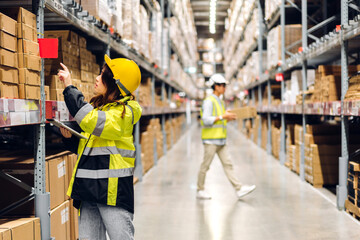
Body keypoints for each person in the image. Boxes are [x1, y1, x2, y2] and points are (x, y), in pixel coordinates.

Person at [58, 55, 142, 240]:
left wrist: (70, 88)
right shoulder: (101, 108)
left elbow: (90, 121)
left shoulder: (124, 113)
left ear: (115, 84)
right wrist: (70, 139)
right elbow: (91, 147)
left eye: (102, 75)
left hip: (112, 191)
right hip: (90, 188)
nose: (97, 77)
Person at [197, 74, 256, 200]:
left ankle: (239, 189)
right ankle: (200, 190)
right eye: (221, 85)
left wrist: (228, 118)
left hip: (221, 140)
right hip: (211, 140)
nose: (224, 87)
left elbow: (219, 120)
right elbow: (206, 120)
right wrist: (223, 117)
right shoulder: (209, 101)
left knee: (228, 164)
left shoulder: (220, 101)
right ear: (215, 86)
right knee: (205, 166)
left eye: (224, 85)